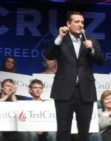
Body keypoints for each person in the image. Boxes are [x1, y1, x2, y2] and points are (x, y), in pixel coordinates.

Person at [44, 11, 105, 141]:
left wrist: (92, 50)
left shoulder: (91, 40)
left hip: (85, 91)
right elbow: (49, 55)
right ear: (68, 24)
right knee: (63, 130)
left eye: (82, 22)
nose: (80, 24)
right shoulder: (61, 40)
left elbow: (101, 61)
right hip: (64, 90)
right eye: (76, 22)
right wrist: (59, 37)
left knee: (84, 131)